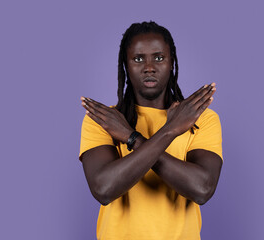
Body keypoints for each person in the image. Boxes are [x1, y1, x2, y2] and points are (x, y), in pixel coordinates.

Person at [79, 21, 223, 240]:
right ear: (125, 65)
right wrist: (171, 130)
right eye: (138, 59)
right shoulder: (104, 121)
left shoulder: (201, 119)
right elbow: (104, 188)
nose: (149, 67)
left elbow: (202, 189)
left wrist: (131, 138)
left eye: (158, 57)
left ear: (171, 62)